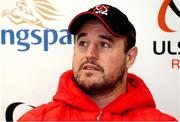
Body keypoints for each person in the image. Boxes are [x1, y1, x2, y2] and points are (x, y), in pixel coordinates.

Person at [18, 4, 177, 121]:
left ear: (130, 57)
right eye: (83, 43)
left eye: (104, 44)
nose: (90, 54)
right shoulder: (36, 119)